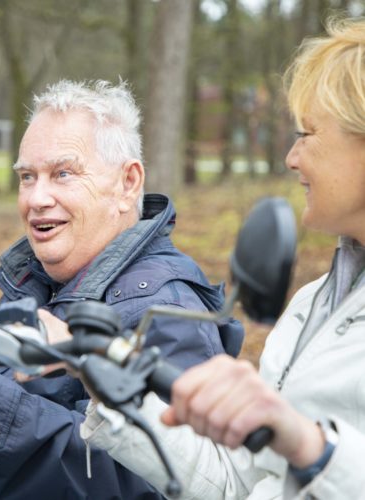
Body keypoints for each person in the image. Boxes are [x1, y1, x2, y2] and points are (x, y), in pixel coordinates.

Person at [0, 80, 243, 499]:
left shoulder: (166, 313)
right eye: (28, 176)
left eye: (63, 173)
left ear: (128, 183)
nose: (37, 198)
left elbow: (138, 483)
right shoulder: (41, 282)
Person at [81, 17, 365, 500]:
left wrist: (310, 445)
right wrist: (112, 391)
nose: (292, 158)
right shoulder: (313, 304)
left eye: (308, 133)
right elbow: (239, 482)